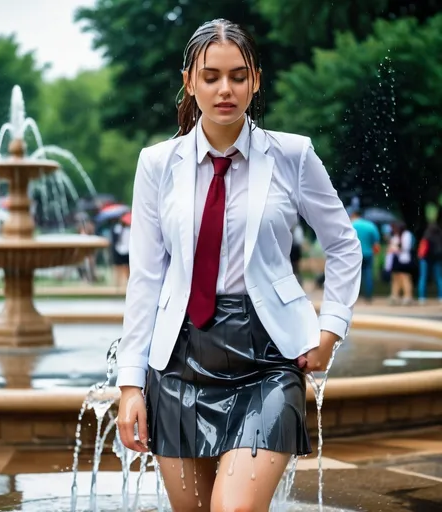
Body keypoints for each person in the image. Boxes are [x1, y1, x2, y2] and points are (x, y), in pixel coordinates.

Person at [115, 19, 362, 512]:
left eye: (238, 75)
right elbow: (145, 278)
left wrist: (331, 329)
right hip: (180, 360)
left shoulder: (293, 155)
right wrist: (130, 385)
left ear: (255, 80)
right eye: (211, 76)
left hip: (269, 358)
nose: (225, 89)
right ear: (190, 81)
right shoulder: (157, 164)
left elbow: (343, 244)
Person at [350, 209, 381, 302]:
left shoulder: (352, 225)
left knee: (353, 275)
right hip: (368, 253)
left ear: (354, 215)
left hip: (354, 254)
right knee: (368, 274)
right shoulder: (371, 225)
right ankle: (368, 296)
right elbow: (376, 244)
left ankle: (353, 296)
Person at [388, 221, 415, 305]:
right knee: (395, 277)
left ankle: (408, 296)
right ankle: (395, 296)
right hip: (396, 259)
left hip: (405, 259)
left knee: (405, 277)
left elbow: (406, 247)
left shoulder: (407, 235)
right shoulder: (396, 236)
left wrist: (395, 248)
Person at [417, 220, 442, 303]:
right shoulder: (439, 236)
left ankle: (422, 297)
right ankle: (440, 296)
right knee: (439, 278)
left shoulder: (427, 235)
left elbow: (423, 248)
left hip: (425, 258)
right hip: (437, 258)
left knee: (423, 277)